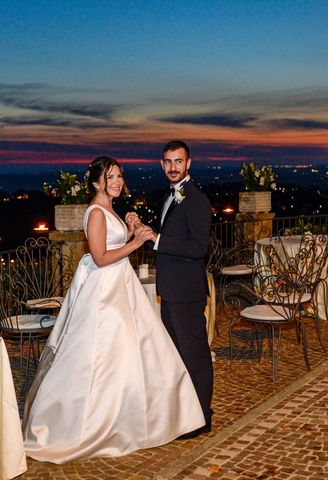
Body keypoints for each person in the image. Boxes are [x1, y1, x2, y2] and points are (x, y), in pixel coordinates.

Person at [23, 156, 205, 464]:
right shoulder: (95, 212)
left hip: (120, 287)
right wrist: (136, 242)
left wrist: (130, 223)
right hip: (104, 293)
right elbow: (100, 257)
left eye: (119, 176)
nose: (117, 181)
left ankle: (130, 418)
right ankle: (91, 424)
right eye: (110, 177)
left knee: (132, 354)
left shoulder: (109, 209)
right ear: (96, 182)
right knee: (100, 356)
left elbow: (113, 241)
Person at [128, 140, 213, 438]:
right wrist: (146, 229)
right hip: (171, 289)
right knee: (178, 354)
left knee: (196, 354)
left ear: (188, 164)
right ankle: (184, 413)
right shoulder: (169, 196)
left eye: (178, 161)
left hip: (187, 291)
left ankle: (202, 417)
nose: (173, 167)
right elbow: (174, 234)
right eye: (168, 161)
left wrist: (158, 239)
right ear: (161, 164)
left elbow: (198, 247)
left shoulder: (197, 200)